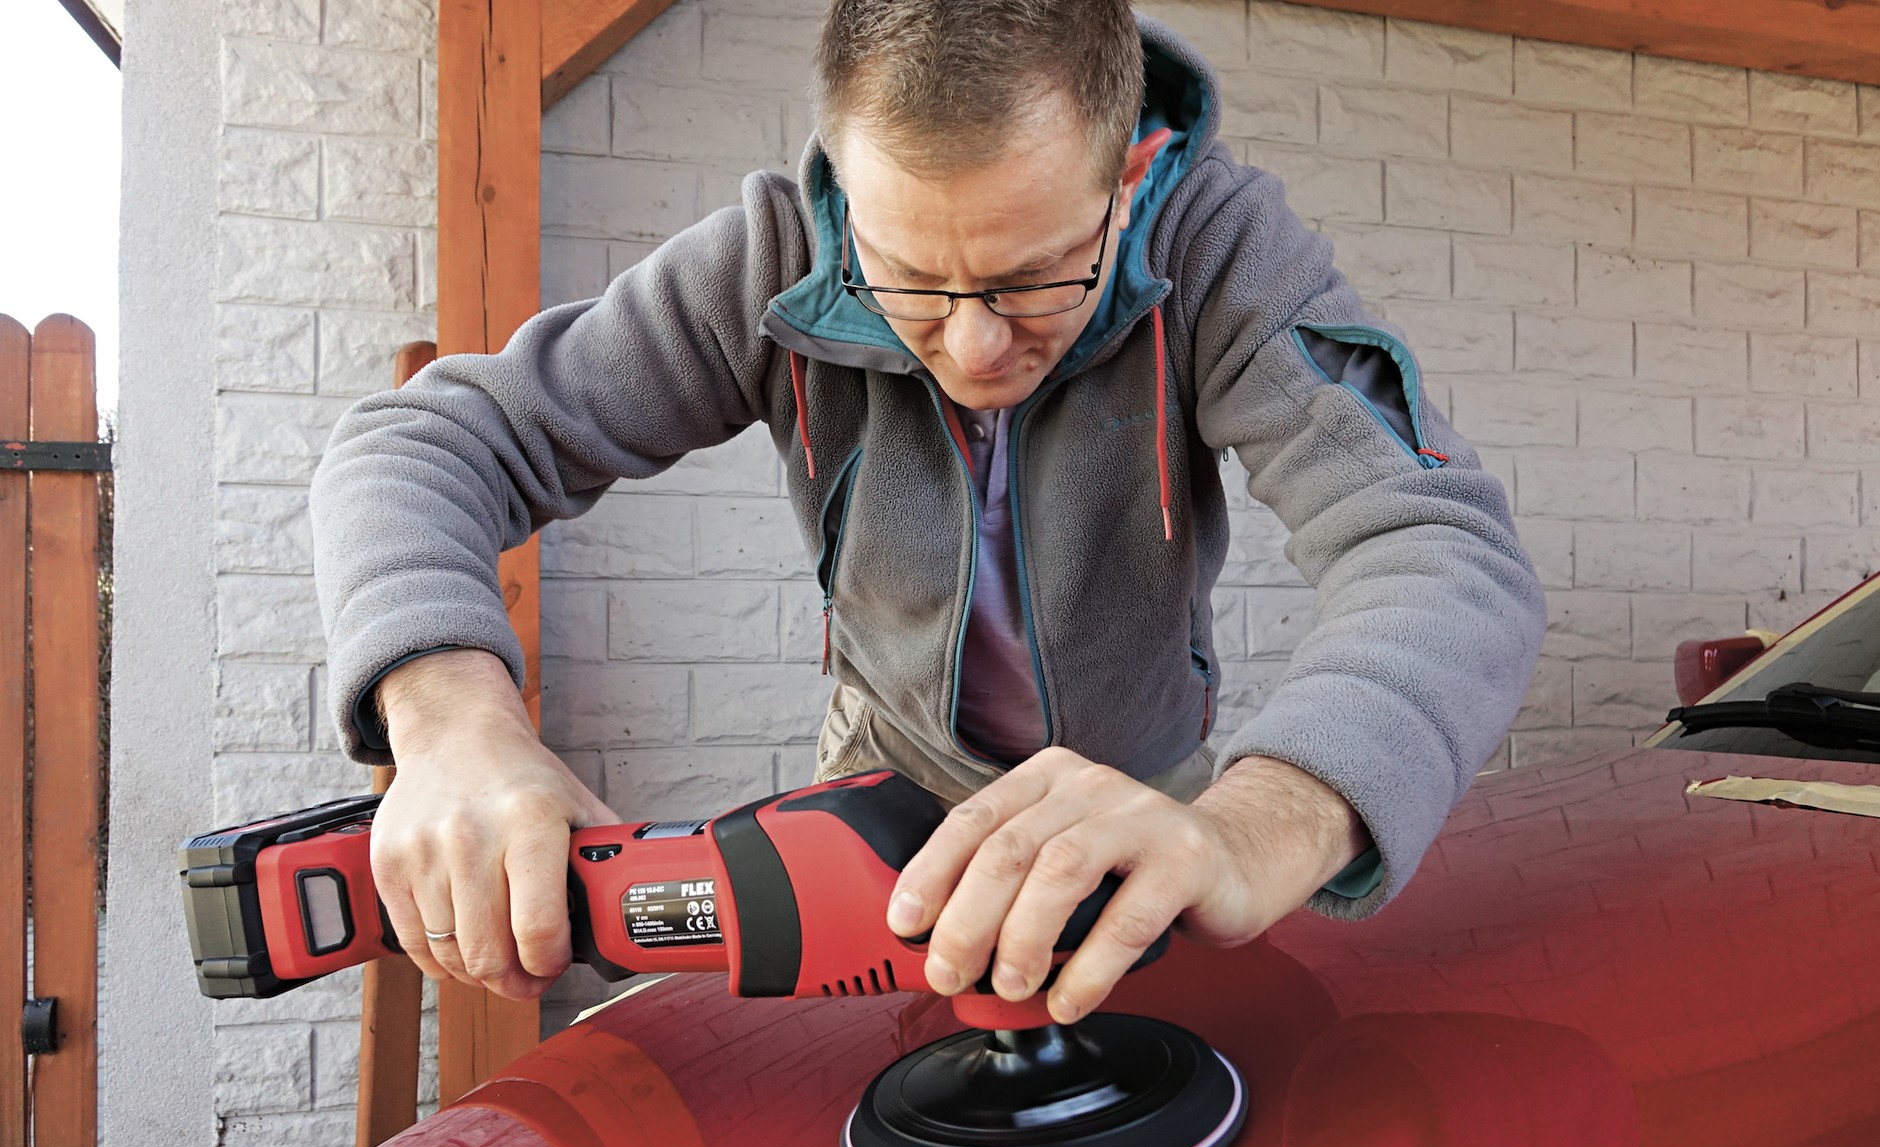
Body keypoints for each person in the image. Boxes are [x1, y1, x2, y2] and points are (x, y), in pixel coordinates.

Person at [310, 0, 1545, 1024]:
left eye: (1030, 277)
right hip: (869, 805)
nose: (972, 343)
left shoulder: (1219, 251)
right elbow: (427, 440)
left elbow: (1437, 550)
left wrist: (1257, 823)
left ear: (1126, 178)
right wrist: (450, 719)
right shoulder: (776, 254)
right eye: (908, 277)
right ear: (847, 193)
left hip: (1138, 810)